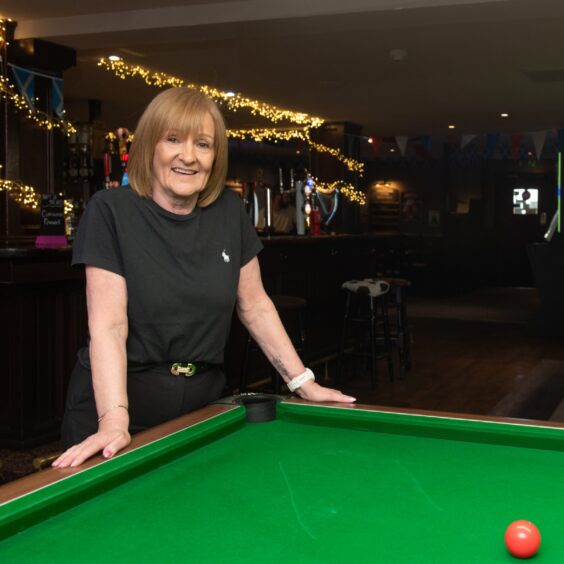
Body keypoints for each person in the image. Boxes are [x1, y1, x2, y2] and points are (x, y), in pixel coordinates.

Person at [54, 88, 354, 468]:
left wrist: (304, 383)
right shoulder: (110, 211)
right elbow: (109, 326)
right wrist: (114, 420)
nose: (189, 156)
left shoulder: (229, 211)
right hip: (119, 413)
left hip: (201, 410)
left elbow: (256, 306)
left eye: (204, 144)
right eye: (173, 139)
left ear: (216, 157)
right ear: (150, 146)